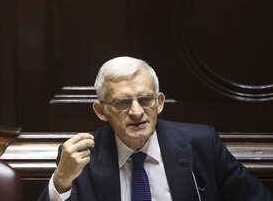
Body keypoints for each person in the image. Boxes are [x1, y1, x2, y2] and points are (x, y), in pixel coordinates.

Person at [40, 56, 272, 200]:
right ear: (102, 111)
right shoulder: (83, 157)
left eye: (145, 100)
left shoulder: (202, 143)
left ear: (159, 102)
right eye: (122, 103)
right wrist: (60, 180)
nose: (136, 111)